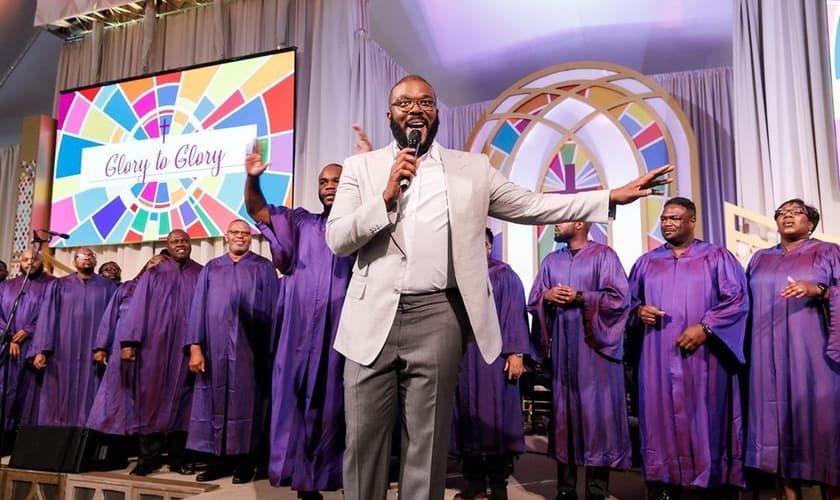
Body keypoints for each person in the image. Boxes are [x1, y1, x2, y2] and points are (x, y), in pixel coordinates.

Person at [325, 74, 673, 500]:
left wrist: (607, 198)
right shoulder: (360, 168)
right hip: (369, 316)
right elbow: (338, 238)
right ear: (389, 113)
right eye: (404, 102)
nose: (415, 109)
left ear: (436, 112)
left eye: (426, 102)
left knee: (427, 443)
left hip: (438, 314)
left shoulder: (471, 169)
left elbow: (531, 205)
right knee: (363, 442)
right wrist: (384, 200)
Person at [244, 151, 353, 499]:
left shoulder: (361, 226)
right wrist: (253, 179)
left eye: (336, 180)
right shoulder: (301, 222)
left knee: (337, 405)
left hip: (341, 329)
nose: (329, 186)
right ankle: (303, 483)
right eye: (323, 181)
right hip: (298, 328)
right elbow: (258, 210)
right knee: (293, 400)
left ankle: (338, 476)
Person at [627, 197, 748, 500]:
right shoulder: (646, 262)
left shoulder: (718, 257)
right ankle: (663, 483)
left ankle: (713, 485)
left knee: (706, 417)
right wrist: (638, 312)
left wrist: (706, 328)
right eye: (664, 219)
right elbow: (627, 304)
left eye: (675, 218)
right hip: (657, 356)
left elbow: (736, 301)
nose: (667, 223)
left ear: (692, 221)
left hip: (704, 359)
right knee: (659, 418)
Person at [528, 222, 631, 500]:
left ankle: (597, 490)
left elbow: (620, 299)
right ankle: (566, 489)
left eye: (560, 220)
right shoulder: (551, 261)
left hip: (596, 352)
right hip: (563, 353)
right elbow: (535, 298)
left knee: (598, 418)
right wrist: (546, 297)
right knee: (565, 418)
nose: (554, 226)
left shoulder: (604, 256)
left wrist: (582, 297)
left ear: (579, 223)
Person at [745, 199, 840, 499]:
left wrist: (820, 290)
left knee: (822, 423)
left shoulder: (827, 252)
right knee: (777, 424)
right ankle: (789, 494)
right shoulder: (760, 258)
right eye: (781, 213)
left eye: (795, 212)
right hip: (765, 354)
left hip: (812, 354)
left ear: (810, 222)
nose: (787, 216)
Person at [185, 219, 278, 484]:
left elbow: (273, 310)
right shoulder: (211, 269)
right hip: (214, 348)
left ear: (251, 237)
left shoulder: (263, 268)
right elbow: (198, 308)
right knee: (214, 403)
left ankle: (247, 463)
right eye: (235, 232)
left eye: (245, 233)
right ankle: (219, 462)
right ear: (226, 236)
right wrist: (195, 347)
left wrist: (271, 351)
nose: (240, 237)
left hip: (252, 350)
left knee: (248, 405)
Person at [450, 228, 529, 500]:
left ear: (488, 247)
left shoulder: (503, 275)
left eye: (482, 243)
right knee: (467, 420)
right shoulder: (456, 276)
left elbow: (515, 315)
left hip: (494, 361)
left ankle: (498, 487)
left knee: (497, 420)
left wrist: (516, 353)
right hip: (463, 359)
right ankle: (473, 483)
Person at [118, 230, 202, 476]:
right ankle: (148, 458)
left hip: (187, 347)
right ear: (168, 245)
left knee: (184, 402)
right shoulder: (153, 275)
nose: (181, 245)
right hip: (153, 346)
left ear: (190, 244)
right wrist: (128, 342)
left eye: (185, 241)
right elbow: (138, 308)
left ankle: (178, 458)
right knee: (150, 400)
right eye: (176, 242)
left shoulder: (201, 273)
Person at [31, 248, 117, 426]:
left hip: (94, 350)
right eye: (82, 256)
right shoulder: (58, 285)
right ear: (74, 261)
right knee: (59, 393)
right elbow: (47, 317)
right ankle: (59, 440)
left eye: (91, 256)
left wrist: (105, 347)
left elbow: (113, 320)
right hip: (62, 350)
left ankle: (88, 440)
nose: (87, 259)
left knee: (92, 392)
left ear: (95, 262)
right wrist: (41, 350)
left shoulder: (108, 287)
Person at [86, 254, 169, 436]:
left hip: (152, 348)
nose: (155, 267)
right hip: (120, 346)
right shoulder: (127, 287)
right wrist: (101, 346)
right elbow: (110, 316)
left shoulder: (168, 290)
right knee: (118, 392)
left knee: (147, 394)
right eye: (152, 262)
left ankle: (143, 439)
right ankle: (116, 436)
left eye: (161, 264)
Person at [0, 248, 55, 433]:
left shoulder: (53, 285)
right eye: (25, 259)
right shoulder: (6, 286)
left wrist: (28, 330)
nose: (29, 263)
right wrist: (10, 337)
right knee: (5, 389)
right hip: (8, 347)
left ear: (42, 262)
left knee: (28, 393)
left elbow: (51, 314)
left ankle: (20, 436)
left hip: (35, 346)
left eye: (34, 259)